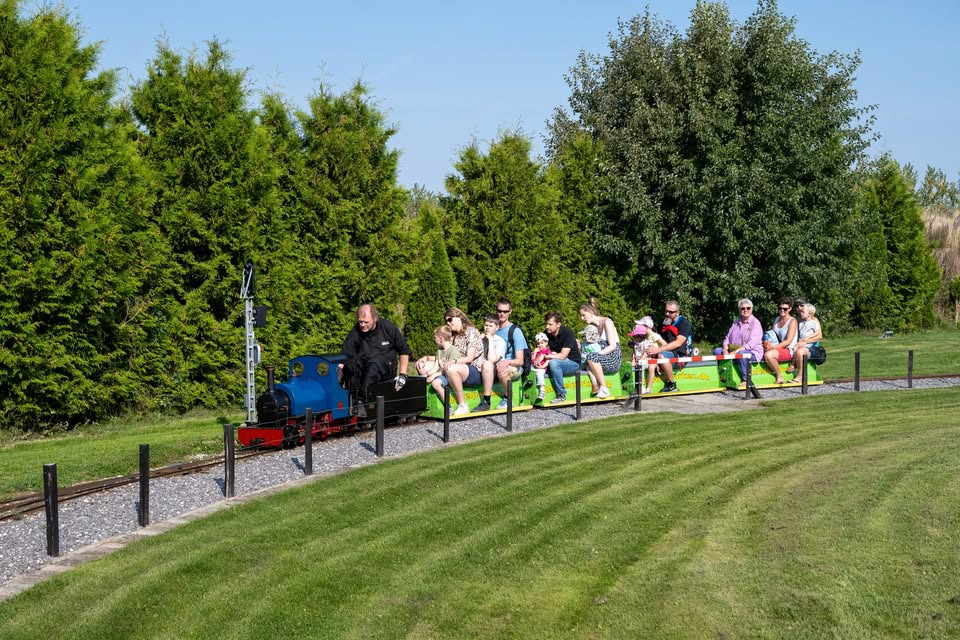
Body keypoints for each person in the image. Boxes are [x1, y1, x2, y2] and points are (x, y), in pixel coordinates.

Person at [339, 304, 412, 415]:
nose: (362, 325)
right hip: (365, 363)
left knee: (373, 364)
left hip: (386, 365)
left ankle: (363, 402)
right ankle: (352, 401)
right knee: (352, 364)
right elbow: (345, 356)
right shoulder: (356, 331)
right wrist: (338, 378)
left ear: (375, 318)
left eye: (366, 322)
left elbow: (404, 350)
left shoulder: (387, 327)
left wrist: (402, 375)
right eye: (360, 321)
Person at [440, 307, 493, 415]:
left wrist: (453, 361)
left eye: (450, 320)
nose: (448, 323)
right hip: (460, 368)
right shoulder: (453, 336)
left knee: (451, 368)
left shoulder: (471, 332)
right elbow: (444, 354)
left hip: (474, 370)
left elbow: (469, 358)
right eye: (446, 321)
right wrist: (427, 359)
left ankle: (462, 405)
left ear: (459, 317)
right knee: (425, 366)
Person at [645, 300, 692, 393]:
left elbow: (678, 343)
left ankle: (671, 384)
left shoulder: (684, 324)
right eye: (666, 311)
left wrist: (658, 351)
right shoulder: (664, 322)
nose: (667, 314)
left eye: (671, 312)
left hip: (682, 355)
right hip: (668, 352)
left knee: (662, 356)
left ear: (677, 313)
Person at [577, 303, 622, 399]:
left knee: (591, 358)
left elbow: (613, 346)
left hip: (613, 357)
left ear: (590, 312)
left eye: (583, 315)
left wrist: (596, 354)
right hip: (600, 358)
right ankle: (595, 387)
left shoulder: (607, 322)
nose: (582, 318)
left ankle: (604, 388)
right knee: (585, 361)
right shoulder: (593, 327)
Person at [493, 299, 529, 407]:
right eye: (499, 311)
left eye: (505, 311)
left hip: (513, 366)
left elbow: (520, 360)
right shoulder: (492, 328)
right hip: (494, 363)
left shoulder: (515, 331)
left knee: (501, 369)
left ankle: (508, 399)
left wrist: (507, 362)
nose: (502, 314)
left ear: (510, 312)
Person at [716, 298, 764, 379]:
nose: (745, 310)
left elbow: (751, 344)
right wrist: (725, 349)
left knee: (742, 354)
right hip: (734, 350)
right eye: (743, 308)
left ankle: (746, 380)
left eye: (748, 308)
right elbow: (727, 338)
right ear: (739, 310)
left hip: (752, 352)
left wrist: (736, 352)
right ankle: (724, 376)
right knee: (717, 351)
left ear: (752, 309)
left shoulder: (756, 323)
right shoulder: (736, 322)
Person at [543, 311, 582, 404]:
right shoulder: (546, 333)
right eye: (546, 324)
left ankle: (561, 394)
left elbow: (563, 355)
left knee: (553, 363)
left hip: (573, 363)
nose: (547, 326)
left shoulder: (568, 333)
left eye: (550, 324)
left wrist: (547, 356)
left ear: (558, 324)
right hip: (557, 359)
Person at [763, 297, 799, 384]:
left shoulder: (792, 321)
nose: (782, 310)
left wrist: (773, 348)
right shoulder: (776, 319)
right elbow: (771, 335)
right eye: (780, 308)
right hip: (778, 347)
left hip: (789, 349)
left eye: (785, 309)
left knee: (769, 355)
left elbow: (788, 341)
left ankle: (779, 376)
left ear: (790, 309)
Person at [628, 316, 666, 394]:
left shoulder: (653, 336)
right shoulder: (643, 339)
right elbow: (635, 352)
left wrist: (657, 351)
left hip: (651, 358)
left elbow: (664, 345)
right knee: (636, 366)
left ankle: (648, 388)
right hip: (645, 359)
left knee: (649, 367)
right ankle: (639, 386)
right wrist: (633, 360)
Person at [791, 303, 823, 376]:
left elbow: (818, 334)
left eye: (801, 306)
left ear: (809, 313)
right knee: (795, 348)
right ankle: (793, 364)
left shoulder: (814, 321)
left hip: (810, 345)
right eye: (797, 306)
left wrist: (806, 340)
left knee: (799, 351)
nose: (799, 308)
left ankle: (800, 374)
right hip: (801, 342)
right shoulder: (800, 322)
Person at [530, 332, 552, 401]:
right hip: (534, 367)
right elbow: (532, 361)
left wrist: (542, 367)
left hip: (542, 368)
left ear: (546, 343)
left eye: (541, 343)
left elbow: (547, 361)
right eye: (538, 344)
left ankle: (542, 390)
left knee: (539, 374)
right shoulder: (536, 351)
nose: (540, 345)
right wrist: (535, 353)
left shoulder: (547, 351)